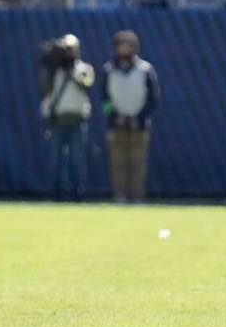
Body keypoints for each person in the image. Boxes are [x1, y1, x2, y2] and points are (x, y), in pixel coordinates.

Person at [102, 31, 160, 203]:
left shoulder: (145, 69)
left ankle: (137, 198)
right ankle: (119, 197)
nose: (124, 48)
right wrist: (114, 116)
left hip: (139, 127)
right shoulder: (108, 70)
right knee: (117, 164)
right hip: (116, 126)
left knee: (138, 164)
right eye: (121, 44)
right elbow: (104, 100)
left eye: (128, 45)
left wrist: (139, 118)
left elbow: (153, 99)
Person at [39, 34, 94, 201]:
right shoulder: (54, 69)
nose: (67, 53)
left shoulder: (84, 68)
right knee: (55, 160)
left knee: (77, 160)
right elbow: (44, 89)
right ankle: (54, 195)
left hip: (77, 120)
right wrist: (51, 65)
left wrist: (72, 72)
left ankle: (78, 195)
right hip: (57, 120)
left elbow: (87, 84)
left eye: (69, 49)